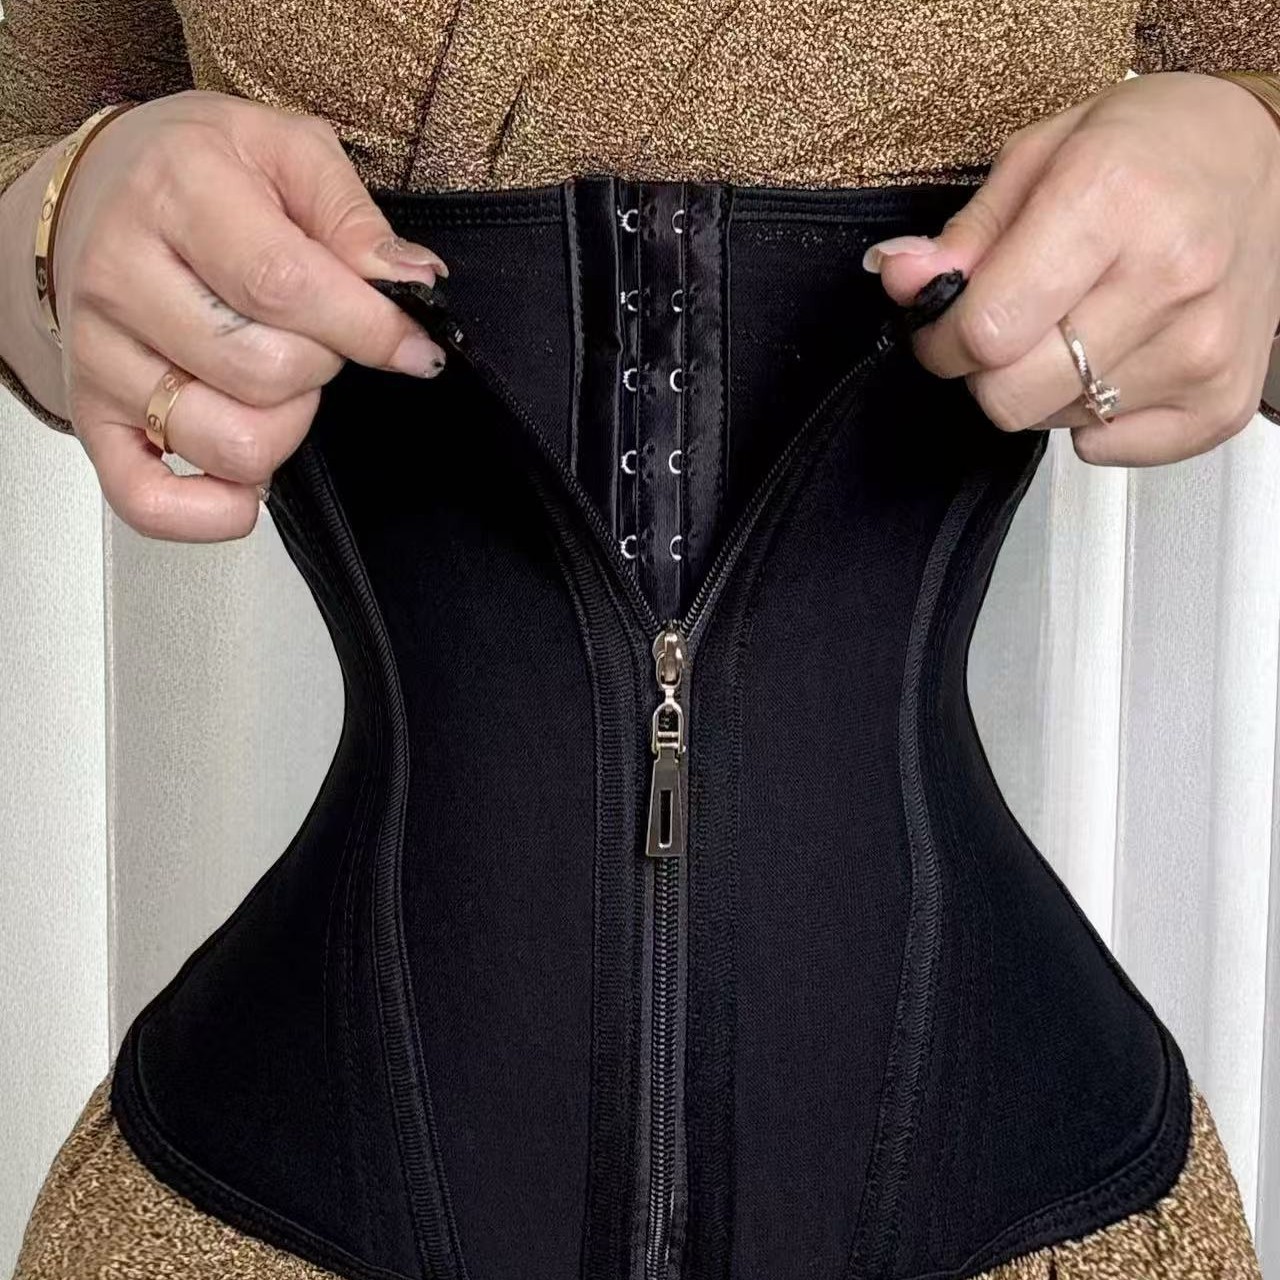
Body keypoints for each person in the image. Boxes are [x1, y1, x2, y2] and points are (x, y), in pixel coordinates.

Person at [2, 0, 1278, 1276]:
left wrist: (1256, 155)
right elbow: (27, 143)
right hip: (260, 1217)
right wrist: (57, 228)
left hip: (1027, 1203)